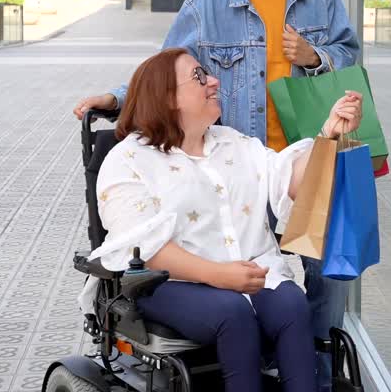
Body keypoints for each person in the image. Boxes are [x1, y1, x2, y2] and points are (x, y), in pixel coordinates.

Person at [73, 0, 360, 391]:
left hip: (295, 163)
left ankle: (311, 379)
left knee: (318, 287)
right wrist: (117, 100)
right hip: (231, 163)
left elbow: (349, 55)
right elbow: (165, 73)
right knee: (238, 288)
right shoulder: (208, 5)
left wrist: (316, 58)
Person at [85, 48, 363, 392]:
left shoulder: (234, 144)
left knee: (292, 304)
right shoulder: (128, 160)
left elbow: (290, 180)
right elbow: (143, 247)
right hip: (169, 282)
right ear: (168, 97)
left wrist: (329, 135)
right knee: (232, 313)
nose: (214, 81)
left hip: (249, 271)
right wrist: (218, 275)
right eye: (200, 76)